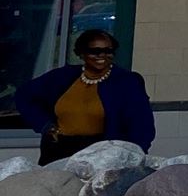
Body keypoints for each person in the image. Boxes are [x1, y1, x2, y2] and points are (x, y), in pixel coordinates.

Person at [17, 30, 155, 165]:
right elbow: (24, 95)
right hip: (58, 150)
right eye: (95, 51)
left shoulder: (126, 81)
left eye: (108, 51)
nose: (102, 55)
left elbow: (142, 124)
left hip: (102, 154)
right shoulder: (62, 77)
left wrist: (133, 156)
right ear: (81, 53)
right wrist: (45, 125)